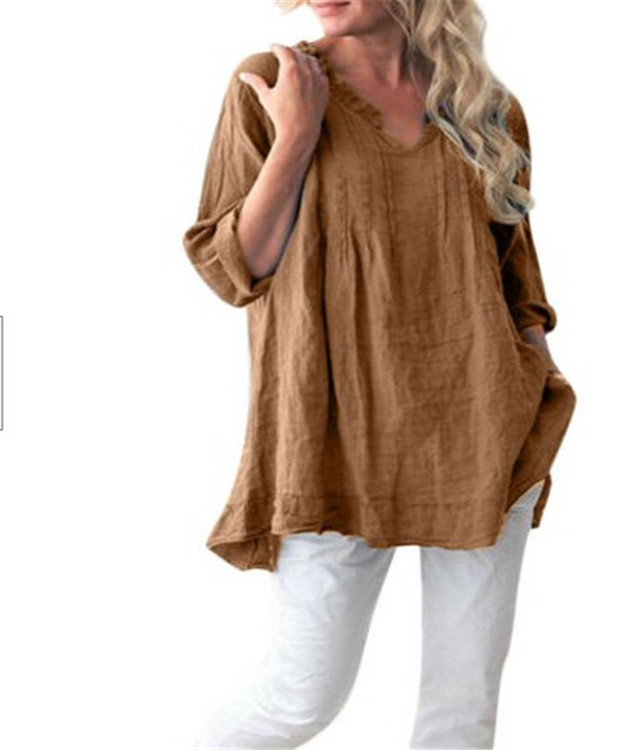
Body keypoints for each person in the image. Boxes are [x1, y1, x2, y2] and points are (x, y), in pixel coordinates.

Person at [182, 1, 576, 747]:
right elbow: (235, 269)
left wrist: (539, 382)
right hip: (334, 438)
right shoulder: (271, 82)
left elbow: (517, 276)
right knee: (300, 697)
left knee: (462, 709)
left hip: (483, 431)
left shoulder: (483, 106)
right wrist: (296, 134)